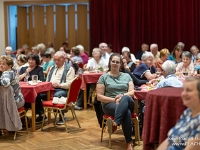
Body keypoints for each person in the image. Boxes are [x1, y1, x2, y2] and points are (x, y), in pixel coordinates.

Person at [96, 53, 135, 150]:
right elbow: (99, 97)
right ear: (110, 62)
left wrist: (121, 97)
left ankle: (116, 122)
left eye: (117, 62)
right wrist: (114, 99)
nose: (115, 63)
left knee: (125, 98)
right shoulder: (103, 77)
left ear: (121, 64)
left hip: (127, 102)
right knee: (127, 112)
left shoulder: (127, 76)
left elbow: (132, 92)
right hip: (109, 104)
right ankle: (129, 142)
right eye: (113, 61)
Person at [157, 77, 200, 150]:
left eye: (188, 90)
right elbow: (170, 139)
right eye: (183, 90)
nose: (183, 94)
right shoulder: (188, 112)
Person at [46, 51, 75, 124]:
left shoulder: (69, 69)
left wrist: (59, 85)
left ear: (64, 59)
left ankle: (61, 116)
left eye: (58, 60)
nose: (56, 62)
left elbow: (70, 84)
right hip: (51, 89)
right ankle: (41, 114)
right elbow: (47, 81)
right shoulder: (52, 68)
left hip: (63, 90)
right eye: (55, 60)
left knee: (57, 95)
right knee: (37, 95)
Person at [18, 54, 45, 122]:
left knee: (36, 95)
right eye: (29, 59)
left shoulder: (39, 69)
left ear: (36, 61)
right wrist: (26, 72)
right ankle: (22, 114)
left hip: (36, 89)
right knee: (21, 96)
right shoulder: (23, 68)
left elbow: (42, 80)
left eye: (33, 60)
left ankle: (41, 114)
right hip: (24, 89)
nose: (30, 61)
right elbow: (18, 79)